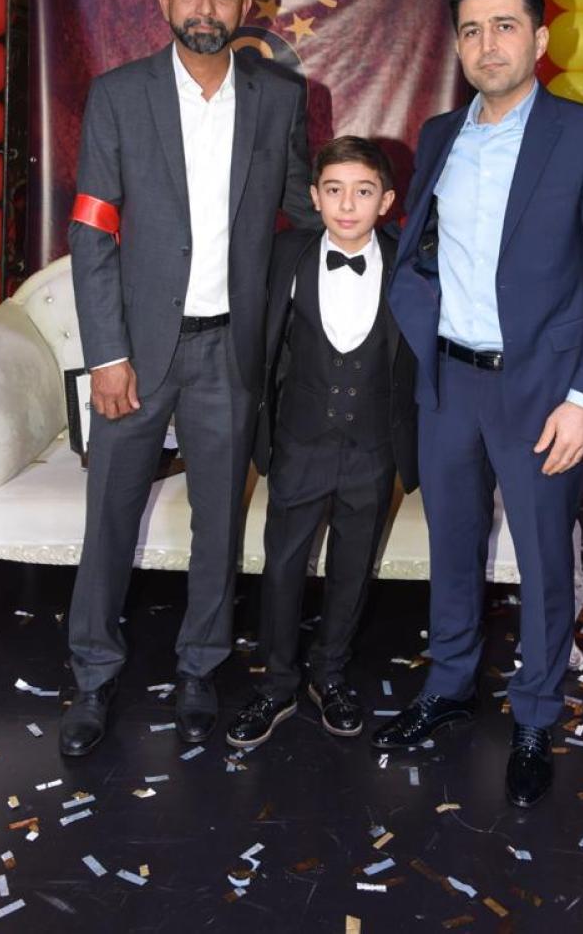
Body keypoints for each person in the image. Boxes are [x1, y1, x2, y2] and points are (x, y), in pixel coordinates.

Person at [372, 0, 583, 808]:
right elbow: (421, 249)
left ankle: (534, 713)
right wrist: (423, 329)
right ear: (457, 46)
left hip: (543, 392)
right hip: (450, 383)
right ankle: (449, 687)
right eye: (471, 30)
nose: (486, 45)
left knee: (542, 558)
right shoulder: (439, 134)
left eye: (503, 26)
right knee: (452, 549)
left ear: (539, 38)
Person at [60, 0, 317, 758]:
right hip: (135, 354)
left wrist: (374, 240)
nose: (207, 7)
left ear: (248, 3)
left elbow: (302, 214)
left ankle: (200, 667)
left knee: (218, 524)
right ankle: (93, 675)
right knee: (110, 518)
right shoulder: (118, 95)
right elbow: (93, 233)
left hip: (230, 352)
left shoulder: (280, 98)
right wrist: (107, 355)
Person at [227, 137, 418, 748]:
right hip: (299, 440)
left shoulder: (411, 262)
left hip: (373, 445)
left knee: (353, 566)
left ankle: (329, 674)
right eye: (334, 190)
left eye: (363, 192)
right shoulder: (284, 253)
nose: (347, 204)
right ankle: (277, 682)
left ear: (386, 201)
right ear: (314, 197)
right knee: (283, 563)